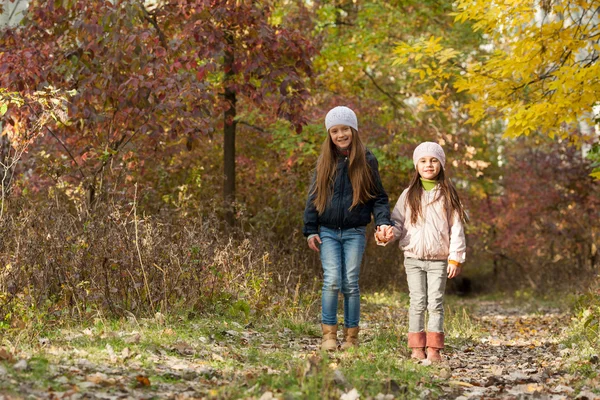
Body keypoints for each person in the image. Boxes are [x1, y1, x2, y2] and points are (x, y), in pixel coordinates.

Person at [303, 106, 392, 351]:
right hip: (328, 231)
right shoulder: (324, 161)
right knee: (331, 281)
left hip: (354, 232)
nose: (340, 134)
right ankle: (328, 335)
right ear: (329, 134)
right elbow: (313, 196)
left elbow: (379, 197)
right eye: (334, 131)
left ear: (353, 130)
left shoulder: (367, 159)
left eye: (345, 129)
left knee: (350, 283)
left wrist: (383, 222)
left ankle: (351, 337)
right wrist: (310, 229)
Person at [376, 142, 467, 363]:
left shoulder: (448, 194)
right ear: (417, 165)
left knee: (435, 302)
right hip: (413, 258)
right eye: (424, 161)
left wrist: (455, 257)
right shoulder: (408, 195)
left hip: (438, 259)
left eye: (434, 160)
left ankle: (434, 348)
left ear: (441, 164)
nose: (429, 164)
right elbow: (397, 224)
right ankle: (417, 347)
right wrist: (386, 234)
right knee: (417, 302)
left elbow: (456, 228)